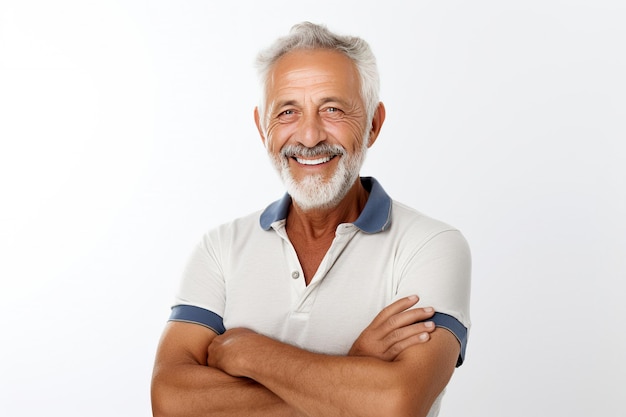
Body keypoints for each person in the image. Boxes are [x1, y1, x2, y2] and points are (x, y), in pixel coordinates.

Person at [151, 22, 471, 417]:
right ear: (261, 128)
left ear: (373, 124)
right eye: (287, 112)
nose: (308, 135)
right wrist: (352, 370)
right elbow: (170, 402)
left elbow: (395, 404)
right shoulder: (220, 249)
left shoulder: (430, 245)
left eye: (332, 109)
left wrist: (249, 353)